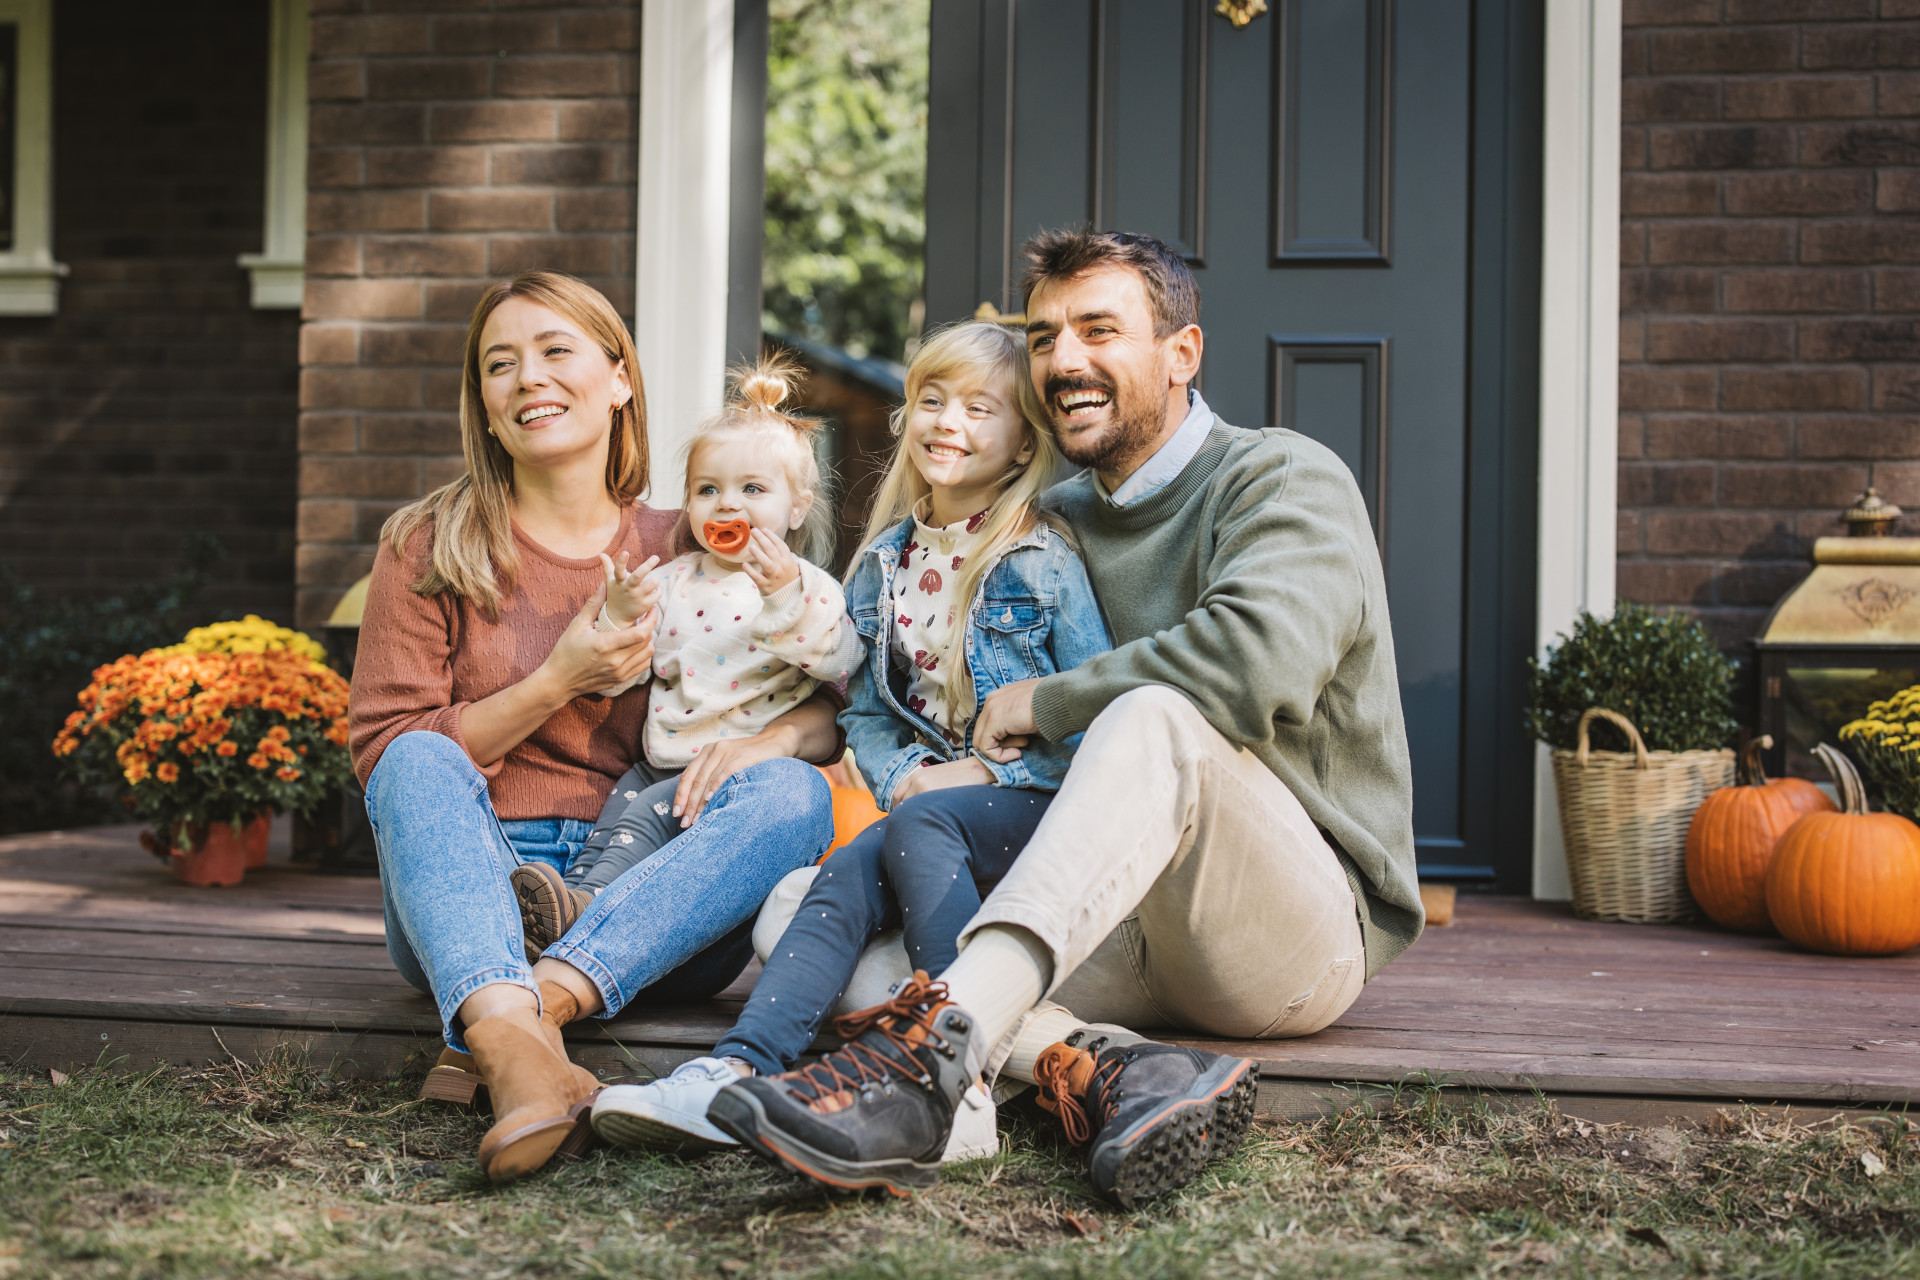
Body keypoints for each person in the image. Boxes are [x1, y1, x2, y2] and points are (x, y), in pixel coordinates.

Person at [706, 230, 1422, 1208]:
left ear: (1182, 352)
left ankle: (929, 1067)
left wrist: (1046, 701)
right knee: (800, 908)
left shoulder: (1280, 478)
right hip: (1096, 920)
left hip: (1281, 926)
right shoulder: (1045, 517)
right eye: (1044, 338)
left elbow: (1257, 664)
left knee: (1153, 714)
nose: (1064, 360)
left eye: (1099, 330)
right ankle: (1110, 1065)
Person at [349, 271, 843, 1183]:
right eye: (500, 364)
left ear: (620, 378)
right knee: (415, 757)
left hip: (662, 887)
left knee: (796, 793)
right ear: (484, 403)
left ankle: (518, 1018)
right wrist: (559, 681)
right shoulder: (426, 543)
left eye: (554, 351)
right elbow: (384, 753)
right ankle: (519, 1039)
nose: (527, 378)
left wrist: (769, 742)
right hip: (474, 885)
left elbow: (830, 702)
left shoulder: (696, 536)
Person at [585, 321, 1110, 1165]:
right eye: (932, 400)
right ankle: (734, 1070)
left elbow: (1095, 710)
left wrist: (978, 774)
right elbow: (864, 711)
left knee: (917, 825)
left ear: (1022, 445)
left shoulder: (1042, 560)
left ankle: (959, 1086)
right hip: (928, 809)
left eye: (980, 408)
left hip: (1031, 804)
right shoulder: (883, 564)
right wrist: (906, 777)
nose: (949, 421)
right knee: (843, 875)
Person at [508, 356, 860, 951]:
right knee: (615, 828)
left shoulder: (805, 586)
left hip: (739, 780)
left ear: (797, 507)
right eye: (707, 490)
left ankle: (583, 909)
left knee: (638, 827)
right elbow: (620, 675)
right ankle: (573, 905)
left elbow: (838, 662)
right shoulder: (673, 581)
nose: (727, 505)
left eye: (753, 489)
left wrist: (783, 595)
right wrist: (622, 613)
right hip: (660, 760)